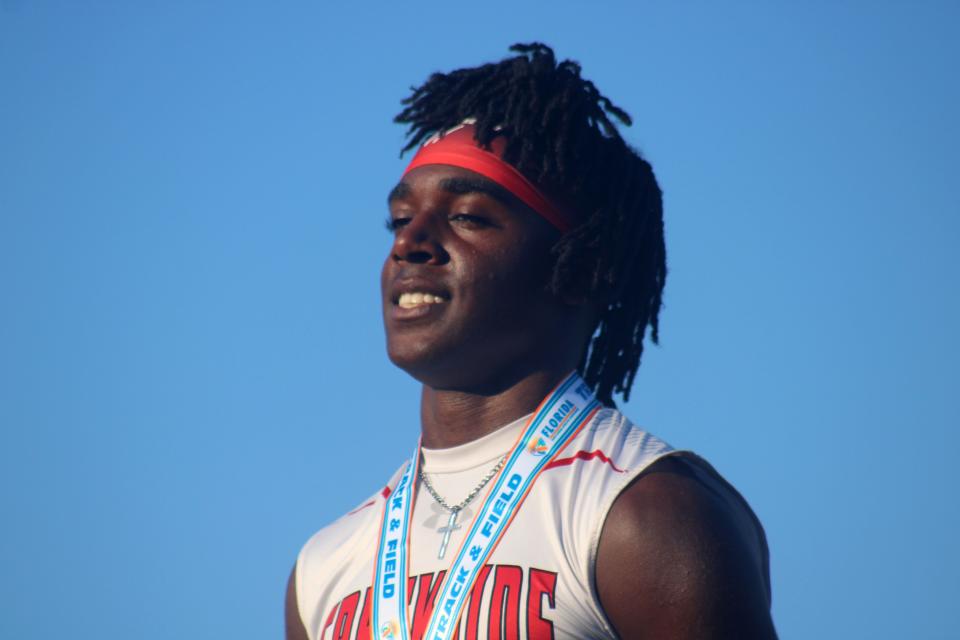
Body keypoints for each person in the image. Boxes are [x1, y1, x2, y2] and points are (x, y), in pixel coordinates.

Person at [286, 43, 777, 640]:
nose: (409, 242)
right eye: (399, 219)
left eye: (467, 216)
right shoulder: (323, 571)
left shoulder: (643, 517)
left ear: (578, 270)